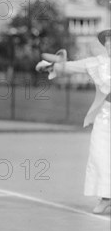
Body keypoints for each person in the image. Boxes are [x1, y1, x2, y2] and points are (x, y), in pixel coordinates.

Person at [36, 29, 111, 214]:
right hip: (105, 115)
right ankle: (106, 197)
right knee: (99, 153)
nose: (109, 43)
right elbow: (70, 66)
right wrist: (48, 65)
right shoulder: (97, 63)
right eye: (108, 40)